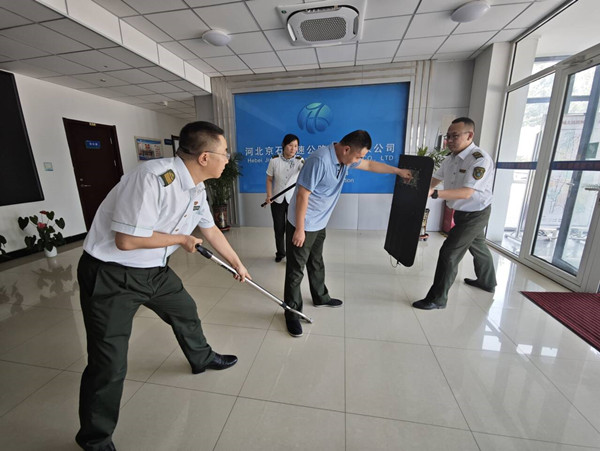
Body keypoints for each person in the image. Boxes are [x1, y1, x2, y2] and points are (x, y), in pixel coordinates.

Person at [75, 121, 251, 451]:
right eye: (224, 153)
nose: (228, 159)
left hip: (154, 270)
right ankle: (94, 439)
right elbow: (126, 240)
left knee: (185, 311)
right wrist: (181, 239)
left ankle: (201, 358)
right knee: (108, 361)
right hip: (111, 275)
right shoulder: (152, 178)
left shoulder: (197, 187)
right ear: (204, 157)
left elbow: (210, 229)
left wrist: (237, 263)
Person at [284, 130, 412, 337]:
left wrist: (398, 171)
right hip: (304, 223)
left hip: (319, 222)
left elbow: (370, 165)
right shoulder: (320, 160)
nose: (358, 160)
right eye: (358, 156)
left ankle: (320, 297)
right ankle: (292, 312)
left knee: (316, 261)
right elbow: (302, 195)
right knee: (295, 270)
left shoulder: (344, 158)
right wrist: (299, 229)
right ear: (346, 149)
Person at [412, 117, 496, 310]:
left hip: (476, 213)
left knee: (449, 253)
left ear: (469, 135)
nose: (449, 140)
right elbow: (435, 179)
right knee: (479, 246)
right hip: (461, 211)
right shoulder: (450, 159)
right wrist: (420, 189)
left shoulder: (479, 159)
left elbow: (466, 193)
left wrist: (434, 194)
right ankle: (487, 282)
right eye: (447, 136)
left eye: (454, 136)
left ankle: (437, 299)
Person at [265, 134, 304, 262]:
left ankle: (291, 255)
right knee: (279, 228)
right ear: (284, 145)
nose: (293, 149)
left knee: (291, 229)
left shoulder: (299, 161)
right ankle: (280, 253)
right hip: (277, 200)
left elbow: (305, 174)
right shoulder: (274, 161)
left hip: (293, 201)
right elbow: (269, 179)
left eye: (296, 146)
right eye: (290, 145)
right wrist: (269, 195)